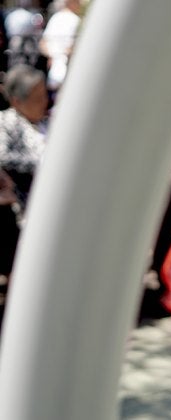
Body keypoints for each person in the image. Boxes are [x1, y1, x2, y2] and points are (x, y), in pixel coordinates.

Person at [0, 64, 48, 278]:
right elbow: (2, 157)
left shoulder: (51, 120)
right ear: (17, 102)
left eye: (44, 95)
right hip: (24, 200)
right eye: (37, 98)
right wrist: (42, 164)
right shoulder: (6, 123)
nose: (44, 102)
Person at [38, 0, 82, 94]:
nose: (80, 4)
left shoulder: (55, 17)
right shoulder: (75, 20)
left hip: (55, 70)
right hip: (65, 71)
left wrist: (52, 56)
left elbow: (43, 44)